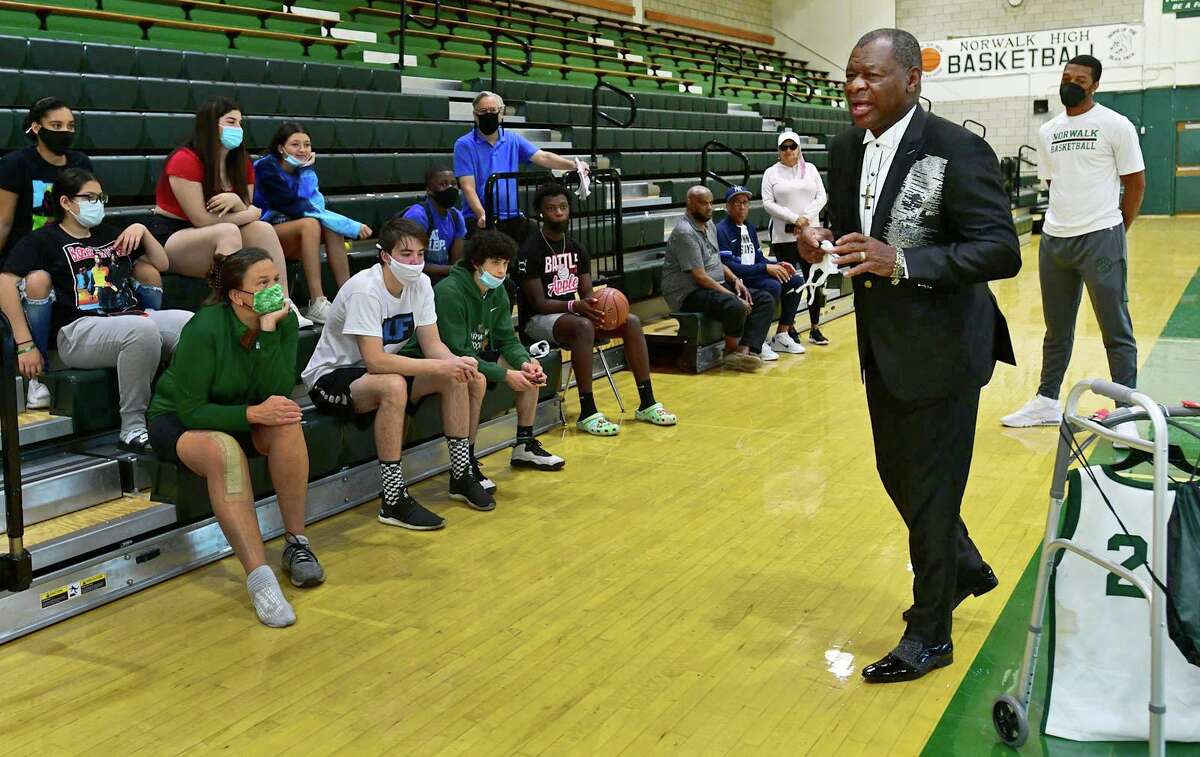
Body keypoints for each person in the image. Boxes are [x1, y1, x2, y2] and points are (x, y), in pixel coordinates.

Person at [799, 29, 1020, 682]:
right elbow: (853, 221)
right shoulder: (843, 149)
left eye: (871, 75)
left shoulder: (957, 149)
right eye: (849, 75)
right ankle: (966, 565)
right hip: (883, 347)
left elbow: (1000, 249)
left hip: (948, 348)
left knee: (931, 493)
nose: (855, 87)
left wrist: (904, 261)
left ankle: (931, 634)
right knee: (899, 475)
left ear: (911, 81)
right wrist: (822, 240)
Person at [146, 248, 322, 628]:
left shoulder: (283, 320)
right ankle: (260, 579)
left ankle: (297, 544)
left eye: (276, 280)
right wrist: (254, 414)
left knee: (288, 422)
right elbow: (192, 411)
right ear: (236, 295)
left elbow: (277, 391)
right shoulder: (205, 327)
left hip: (242, 411)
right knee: (224, 449)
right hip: (180, 418)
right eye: (263, 283)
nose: (275, 289)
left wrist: (271, 331)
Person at [302, 217, 495, 528]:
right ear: (385, 256)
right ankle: (392, 499)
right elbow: (376, 361)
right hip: (332, 377)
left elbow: (433, 345)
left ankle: (461, 473)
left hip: (374, 374)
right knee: (393, 385)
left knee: (454, 375)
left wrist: (455, 362)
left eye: (420, 254)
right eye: (406, 255)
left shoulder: (420, 285)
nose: (415, 262)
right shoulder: (366, 289)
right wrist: (440, 364)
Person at [1002, 54, 1146, 431]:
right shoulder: (1048, 130)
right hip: (1055, 240)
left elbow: (1135, 183)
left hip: (1100, 235)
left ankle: (1126, 410)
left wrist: (1116, 228)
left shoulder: (1116, 125)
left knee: (1115, 326)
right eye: (1067, 77)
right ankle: (1047, 400)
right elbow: (1055, 183)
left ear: (1094, 85)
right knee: (1057, 328)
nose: (1071, 83)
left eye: (1080, 79)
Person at [0, 169, 191, 450]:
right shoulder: (44, 239)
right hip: (77, 329)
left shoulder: (109, 234)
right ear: (65, 202)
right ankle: (133, 427)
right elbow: (5, 281)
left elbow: (162, 264)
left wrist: (144, 231)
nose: (97, 203)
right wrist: (24, 343)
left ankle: (182, 410)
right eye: (89, 197)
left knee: (189, 323)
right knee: (142, 331)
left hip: (127, 315)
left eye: (100, 197)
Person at [518, 183, 677, 435]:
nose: (558, 213)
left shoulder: (577, 249)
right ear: (540, 213)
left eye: (563, 207)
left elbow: (588, 295)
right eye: (551, 208)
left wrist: (599, 307)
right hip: (538, 320)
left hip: (570, 314)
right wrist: (577, 306)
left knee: (631, 321)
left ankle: (647, 402)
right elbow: (538, 303)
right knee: (582, 326)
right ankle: (588, 411)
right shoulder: (529, 251)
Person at [409, 229, 565, 472]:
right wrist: (504, 375)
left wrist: (524, 364)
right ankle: (467, 460)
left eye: (505, 263)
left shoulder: (497, 291)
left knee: (531, 366)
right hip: (432, 362)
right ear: (476, 262)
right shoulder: (449, 292)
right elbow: (456, 351)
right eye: (495, 263)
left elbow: (507, 340)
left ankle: (524, 445)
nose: (502, 271)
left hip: (470, 357)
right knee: (476, 378)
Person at [149, 97, 309, 327]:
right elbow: (201, 219)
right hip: (171, 238)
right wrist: (251, 212)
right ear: (210, 125)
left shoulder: (242, 162)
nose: (238, 129)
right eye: (231, 122)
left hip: (220, 233)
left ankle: (281, 302)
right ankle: (229, 312)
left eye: (240, 123)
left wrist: (240, 203)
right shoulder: (185, 159)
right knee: (229, 231)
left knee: (261, 229)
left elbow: (245, 207)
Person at [253, 121, 371, 324]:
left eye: (307, 145)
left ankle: (348, 296)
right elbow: (295, 206)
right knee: (310, 223)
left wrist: (307, 171)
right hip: (264, 234)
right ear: (281, 148)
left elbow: (317, 204)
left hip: (292, 233)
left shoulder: (303, 169)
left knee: (329, 226)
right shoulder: (265, 168)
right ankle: (317, 301)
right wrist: (350, 225)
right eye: (295, 144)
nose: (302, 150)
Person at [662, 186, 774, 373]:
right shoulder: (685, 232)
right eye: (703, 203)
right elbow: (700, 276)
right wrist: (731, 294)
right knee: (735, 304)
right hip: (687, 293)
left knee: (764, 299)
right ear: (690, 204)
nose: (709, 207)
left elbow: (716, 261)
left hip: (711, 286)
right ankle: (730, 352)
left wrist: (735, 279)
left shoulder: (710, 225)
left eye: (711, 203)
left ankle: (746, 350)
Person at [454, 91, 587, 243]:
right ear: (475, 115)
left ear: (501, 113)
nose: (488, 114)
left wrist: (574, 165)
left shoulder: (513, 139)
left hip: (512, 216)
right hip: (479, 218)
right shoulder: (464, 144)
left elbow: (543, 157)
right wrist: (482, 215)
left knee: (538, 241)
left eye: (492, 110)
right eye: (483, 111)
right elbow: (468, 187)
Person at [716, 184, 807, 360]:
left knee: (795, 280)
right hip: (739, 279)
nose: (742, 207)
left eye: (745, 203)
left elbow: (758, 259)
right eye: (736, 203)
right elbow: (728, 265)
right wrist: (765, 268)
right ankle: (758, 340)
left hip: (754, 274)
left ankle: (782, 334)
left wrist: (778, 264)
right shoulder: (722, 230)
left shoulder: (749, 228)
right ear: (727, 206)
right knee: (772, 286)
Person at [0, 97, 93, 260]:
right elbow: (3, 222)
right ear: (36, 127)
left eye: (70, 126)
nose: (65, 131)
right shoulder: (15, 164)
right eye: (56, 125)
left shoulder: (81, 162)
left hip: (72, 253)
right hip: (29, 254)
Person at [762, 130, 830, 346]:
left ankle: (815, 327)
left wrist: (805, 218)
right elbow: (767, 203)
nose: (789, 151)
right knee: (789, 282)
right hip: (784, 236)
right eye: (784, 147)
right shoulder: (771, 173)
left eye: (793, 146)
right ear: (778, 151)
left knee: (815, 280)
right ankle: (788, 327)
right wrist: (793, 218)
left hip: (811, 234)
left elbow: (822, 196)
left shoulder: (810, 169)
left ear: (799, 148)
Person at [400, 166, 467, 285]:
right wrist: (453, 270)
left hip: (443, 276)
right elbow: (408, 263)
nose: (450, 188)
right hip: (414, 276)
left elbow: (456, 262)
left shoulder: (456, 216)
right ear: (429, 190)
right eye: (443, 184)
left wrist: (456, 271)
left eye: (453, 183)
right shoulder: (418, 216)